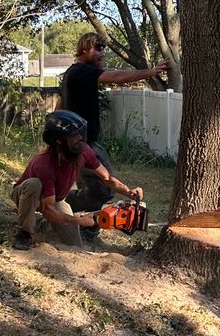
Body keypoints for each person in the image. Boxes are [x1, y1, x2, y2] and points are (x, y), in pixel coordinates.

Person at [60, 33, 169, 230]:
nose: (103, 53)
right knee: (105, 189)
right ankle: (72, 214)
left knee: (99, 191)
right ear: (84, 48)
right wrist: (151, 72)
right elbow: (117, 77)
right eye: (98, 48)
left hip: (77, 143)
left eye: (104, 48)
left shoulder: (73, 73)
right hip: (85, 145)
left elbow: (60, 104)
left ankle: (61, 205)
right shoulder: (83, 71)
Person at [11, 109, 142, 250]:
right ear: (59, 140)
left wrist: (128, 192)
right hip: (27, 195)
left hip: (55, 199)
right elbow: (47, 208)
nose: (80, 138)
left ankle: (39, 222)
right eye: (74, 135)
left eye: (80, 133)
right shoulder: (44, 164)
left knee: (74, 245)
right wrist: (79, 220)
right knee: (34, 185)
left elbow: (107, 177)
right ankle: (24, 233)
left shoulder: (83, 151)